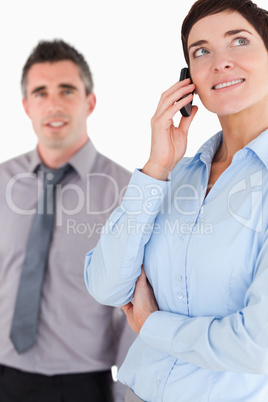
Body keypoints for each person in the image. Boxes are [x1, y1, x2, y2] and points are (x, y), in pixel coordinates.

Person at [84, 0, 268, 400]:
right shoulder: (174, 176)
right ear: (189, 80)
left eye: (238, 41)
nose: (220, 61)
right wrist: (155, 168)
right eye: (201, 51)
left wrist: (152, 325)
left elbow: (258, 347)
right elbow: (106, 286)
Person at [0, 39, 136, 402]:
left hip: (82, 385)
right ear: (27, 106)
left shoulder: (126, 192)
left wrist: (127, 391)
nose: (54, 104)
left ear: (90, 101)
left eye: (67, 90)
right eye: (40, 92)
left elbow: (137, 304)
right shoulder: (2, 182)